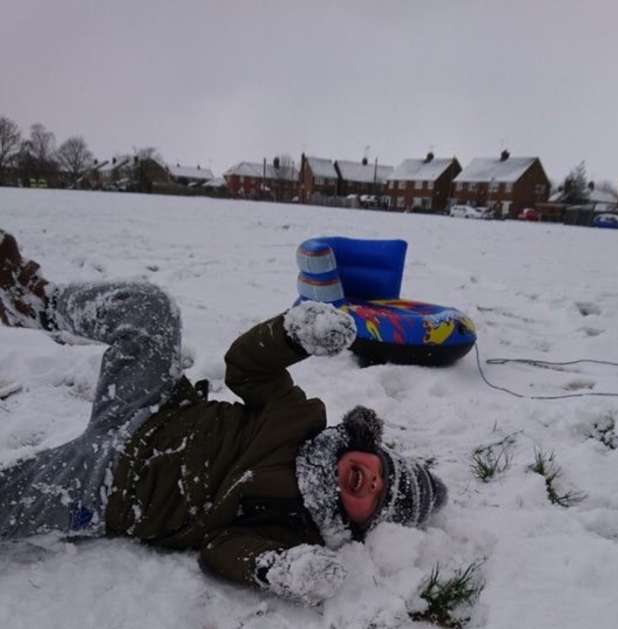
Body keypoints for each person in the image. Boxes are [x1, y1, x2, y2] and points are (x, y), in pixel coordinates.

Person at [0, 230, 447, 605]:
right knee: (152, 309)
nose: (374, 482)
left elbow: (221, 550)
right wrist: (291, 335)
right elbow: (246, 368)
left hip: (108, 486)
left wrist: (274, 568)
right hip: (150, 405)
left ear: (360, 521)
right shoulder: (297, 417)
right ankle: (36, 302)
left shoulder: (294, 527)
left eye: (381, 497)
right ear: (364, 449)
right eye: (384, 472)